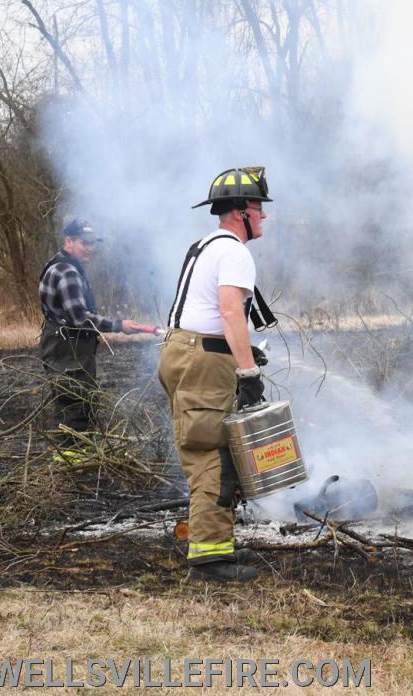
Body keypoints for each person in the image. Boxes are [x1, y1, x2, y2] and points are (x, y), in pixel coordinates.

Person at [158, 167, 272, 583]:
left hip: (186, 353)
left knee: (206, 449)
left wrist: (242, 351)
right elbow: (228, 311)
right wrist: (247, 370)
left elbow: (207, 312)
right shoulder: (236, 252)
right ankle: (209, 560)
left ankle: (215, 540)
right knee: (214, 456)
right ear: (240, 211)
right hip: (203, 361)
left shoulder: (205, 245)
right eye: (258, 207)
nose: (263, 216)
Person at [38, 219, 145, 460]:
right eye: (84, 243)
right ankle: (73, 462)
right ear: (69, 241)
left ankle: (78, 456)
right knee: (75, 402)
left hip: (61, 345)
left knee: (75, 400)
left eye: (92, 243)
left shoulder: (59, 264)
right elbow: (79, 318)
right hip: (68, 349)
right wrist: (119, 326)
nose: (90, 248)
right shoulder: (67, 272)